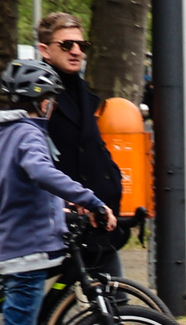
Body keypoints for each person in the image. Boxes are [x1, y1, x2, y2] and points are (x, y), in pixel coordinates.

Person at [0, 56, 114, 325]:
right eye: (51, 99)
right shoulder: (28, 132)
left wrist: (64, 210)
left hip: (18, 247)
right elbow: (39, 171)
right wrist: (90, 199)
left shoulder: (1, 136)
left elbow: (21, 188)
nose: (52, 105)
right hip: (30, 255)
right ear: (42, 101)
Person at [35, 13, 124, 218]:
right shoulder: (36, 97)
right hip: (64, 219)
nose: (76, 52)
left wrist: (113, 181)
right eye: (66, 45)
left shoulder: (83, 94)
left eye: (82, 46)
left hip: (100, 214)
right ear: (44, 50)